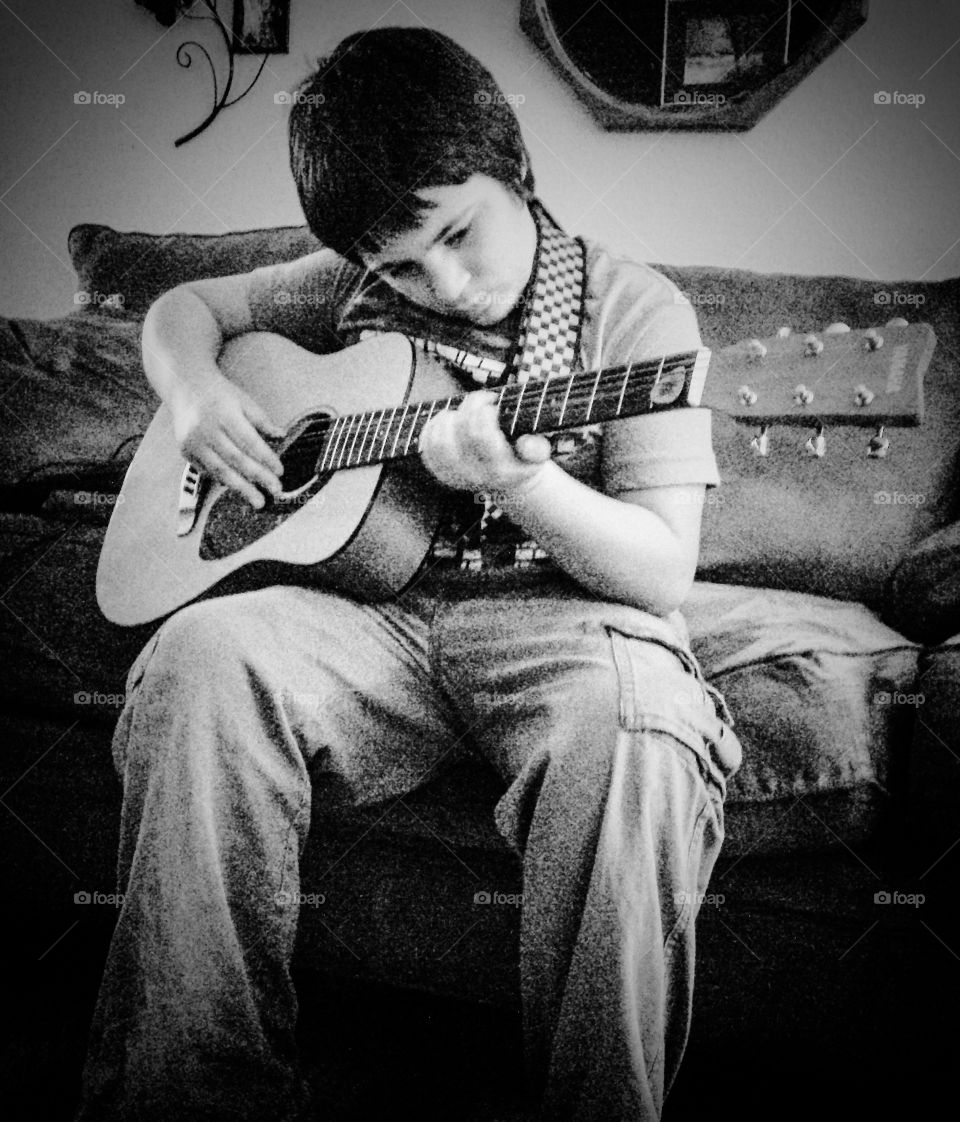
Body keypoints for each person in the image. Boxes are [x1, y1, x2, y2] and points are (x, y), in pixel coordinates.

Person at [76, 26, 741, 1122]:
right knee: (198, 655)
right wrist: (192, 392)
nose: (445, 285)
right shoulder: (341, 287)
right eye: (399, 268)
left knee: (636, 736)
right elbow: (180, 311)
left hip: (564, 627)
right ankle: (188, 1092)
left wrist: (521, 485)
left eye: (459, 236)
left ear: (515, 166)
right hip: (369, 619)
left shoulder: (638, 312)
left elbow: (663, 570)